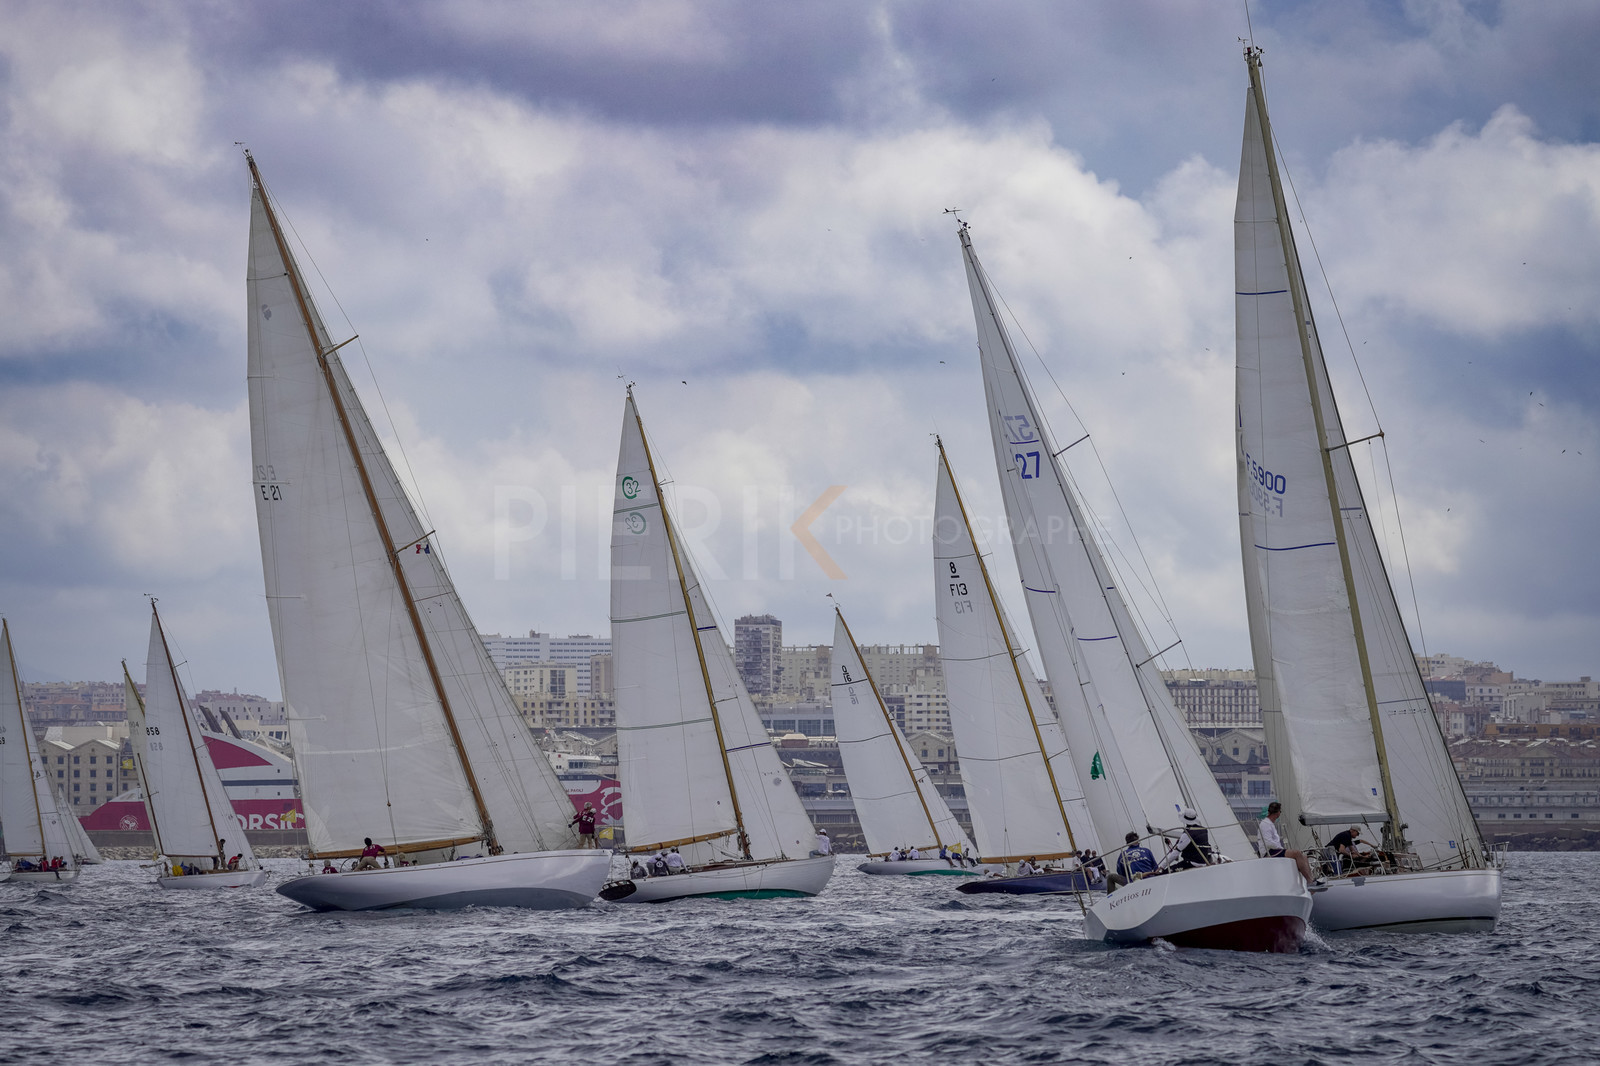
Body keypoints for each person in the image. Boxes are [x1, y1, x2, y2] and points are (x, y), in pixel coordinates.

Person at [1258, 801, 1319, 885]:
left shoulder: (1269, 823)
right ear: (1278, 813)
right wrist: (1282, 849)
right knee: (1297, 853)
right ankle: (1309, 881)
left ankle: (1312, 880)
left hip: (1274, 850)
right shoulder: (1265, 824)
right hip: (1269, 852)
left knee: (1303, 856)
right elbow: (1268, 843)